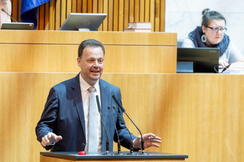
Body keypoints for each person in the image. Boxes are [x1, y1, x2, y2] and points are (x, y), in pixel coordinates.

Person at [35, 39, 161, 152]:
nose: (96, 65)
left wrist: (135, 142)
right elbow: (43, 125)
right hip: (70, 160)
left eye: (100, 60)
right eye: (91, 60)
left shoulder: (112, 92)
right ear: (79, 62)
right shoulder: (60, 92)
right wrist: (46, 136)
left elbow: (119, 130)